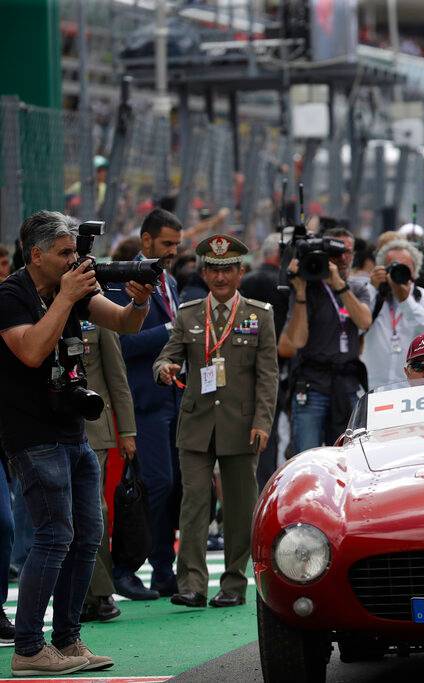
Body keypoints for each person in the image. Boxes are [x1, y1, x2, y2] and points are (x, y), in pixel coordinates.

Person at [0, 211, 154, 675]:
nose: (75, 261)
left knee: (87, 536)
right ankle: (29, 648)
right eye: (65, 253)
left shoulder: (70, 288)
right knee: (54, 536)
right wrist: (66, 297)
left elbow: (124, 323)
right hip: (32, 434)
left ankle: (67, 641)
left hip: (73, 429)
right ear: (36, 254)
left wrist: (139, 302)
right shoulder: (10, 295)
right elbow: (31, 350)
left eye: (76, 251)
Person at [153, 234, 278, 608]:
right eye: (213, 270)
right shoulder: (189, 313)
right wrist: (165, 368)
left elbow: (268, 375)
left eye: (227, 270)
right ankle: (191, 584)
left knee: (239, 506)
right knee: (193, 503)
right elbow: (167, 356)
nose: (220, 277)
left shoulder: (260, 315)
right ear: (204, 273)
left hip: (242, 424)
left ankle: (234, 583)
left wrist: (263, 422)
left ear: (240, 272)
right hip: (196, 424)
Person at [106, 208, 183, 601]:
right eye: (167, 244)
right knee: (153, 484)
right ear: (146, 240)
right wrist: (171, 331)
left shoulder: (170, 281)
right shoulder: (122, 280)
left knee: (171, 486)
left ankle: (163, 570)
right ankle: (125, 567)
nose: (173, 251)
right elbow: (120, 343)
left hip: (172, 396)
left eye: (177, 245)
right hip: (142, 400)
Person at [279, 227, 372, 453]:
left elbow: (364, 321)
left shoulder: (358, 288)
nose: (342, 258)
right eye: (335, 252)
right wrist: (300, 293)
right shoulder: (308, 287)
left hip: (346, 384)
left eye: (347, 252)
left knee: (348, 455)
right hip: (312, 384)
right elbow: (297, 341)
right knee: (306, 454)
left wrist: (339, 285)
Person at [80, 324, 136, 623]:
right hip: (50, 430)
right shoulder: (37, 309)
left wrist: (127, 430)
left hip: (93, 431)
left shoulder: (98, 316)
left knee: (92, 509)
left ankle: (101, 594)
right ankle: (87, 595)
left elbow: (117, 377)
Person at [240, 233, 291, 490]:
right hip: (279, 365)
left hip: (243, 364)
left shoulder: (246, 282)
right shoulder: (286, 285)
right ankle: (269, 488)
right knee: (271, 434)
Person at [361, 239, 424, 389]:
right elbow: (356, 326)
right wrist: (372, 288)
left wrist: (406, 301)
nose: (398, 271)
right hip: (371, 389)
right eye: (393, 266)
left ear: (414, 272)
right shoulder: (369, 294)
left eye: (405, 267)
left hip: (408, 390)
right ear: (383, 270)